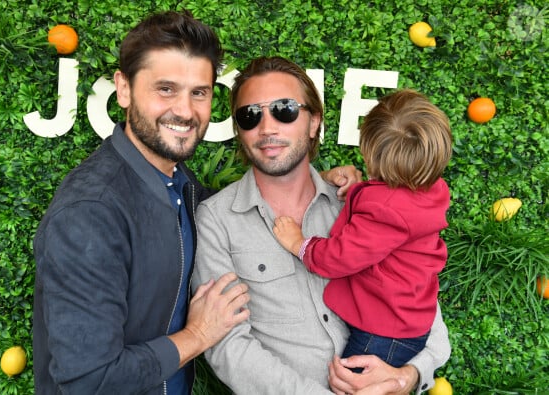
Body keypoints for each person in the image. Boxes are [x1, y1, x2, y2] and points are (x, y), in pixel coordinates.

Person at [33, 11, 358, 395]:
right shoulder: (91, 212)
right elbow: (89, 380)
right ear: (123, 89)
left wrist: (331, 179)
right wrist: (198, 335)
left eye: (198, 92)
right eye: (165, 89)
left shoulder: (178, 184)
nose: (185, 111)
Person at [192, 57, 451, 395]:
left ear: (314, 122)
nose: (267, 127)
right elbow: (226, 345)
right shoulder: (216, 219)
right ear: (240, 130)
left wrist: (407, 377)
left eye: (284, 110)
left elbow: (424, 313)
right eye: (250, 115)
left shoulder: (361, 205)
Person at [273, 89, 452, 373]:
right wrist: (359, 192)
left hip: (385, 332)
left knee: (348, 383)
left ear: (370, 151)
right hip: (404, 320)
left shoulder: (386, 210)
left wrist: (299, 243)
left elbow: (339, 257)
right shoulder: (429, 190)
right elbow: (394, 213)